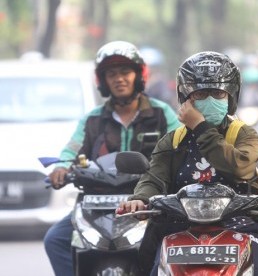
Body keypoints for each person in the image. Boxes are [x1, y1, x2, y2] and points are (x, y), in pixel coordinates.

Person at [118, 51, 258, 276]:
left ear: (231, 97)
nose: (210, 99)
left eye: (217, 93)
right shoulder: (172, 140)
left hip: (239, 224)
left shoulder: (244, 134)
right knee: (148, 266)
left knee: (256, 269)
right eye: (202, 93)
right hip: (179, 224)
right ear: (186, 98)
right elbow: (154, 176)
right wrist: (139, 199)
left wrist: (201, 127)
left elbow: (240, 167)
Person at [43, 40, 181, 276]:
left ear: (138, 75)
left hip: (148, 203)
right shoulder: (93, 119)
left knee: (172, 243)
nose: (119, 79)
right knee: (54, 239)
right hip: (96, 202)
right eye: (112, 74)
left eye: (125, 72)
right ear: (103, 80)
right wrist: (62, 167)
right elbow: (71, 150)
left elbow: (180, 144)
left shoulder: (161, 113)